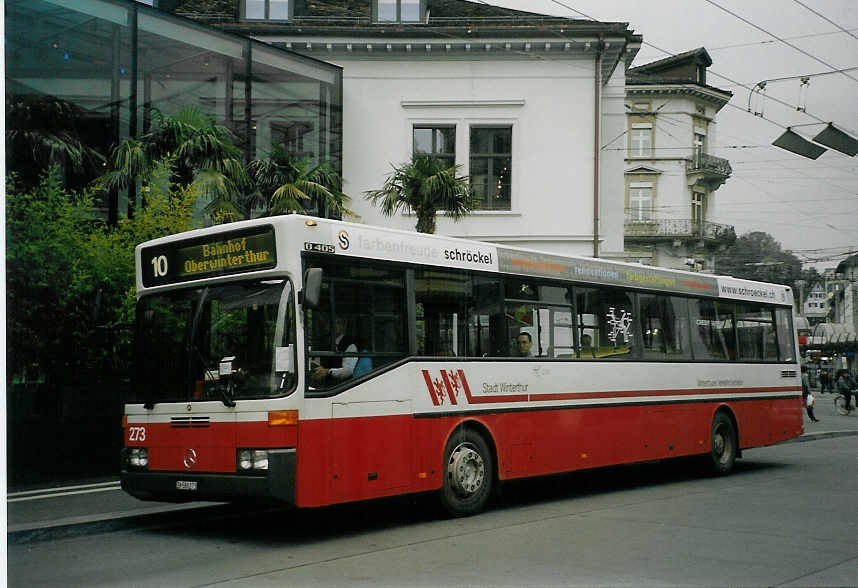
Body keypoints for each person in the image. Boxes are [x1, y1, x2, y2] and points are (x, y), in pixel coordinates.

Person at [312, 317, 357, 385]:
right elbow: (318, 361)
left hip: (340, 387)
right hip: (322, 384)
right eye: (331, 323)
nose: (334, 325)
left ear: (344, 326)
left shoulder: (350, 345)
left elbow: (348, 371)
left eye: (338, 323)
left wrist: (328, 371)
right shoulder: (324, 342)